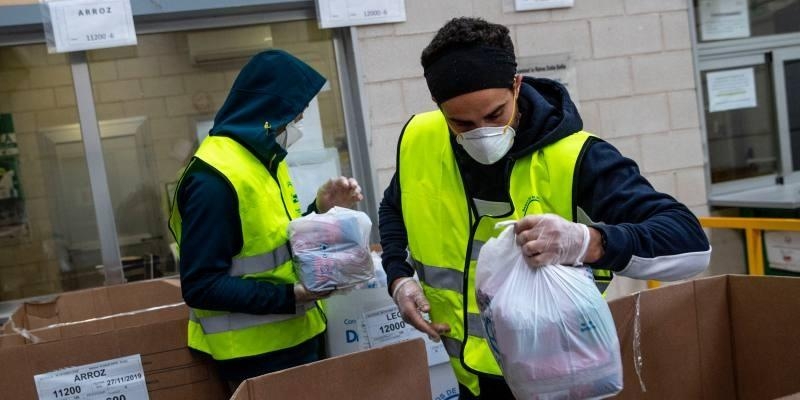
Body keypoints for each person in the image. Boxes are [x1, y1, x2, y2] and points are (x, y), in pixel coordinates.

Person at [378, 17, 711, 399]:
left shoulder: (578, 158)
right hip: (470, 379)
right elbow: (394, 207)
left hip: (557, 379)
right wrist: (398, 277)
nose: (480, 133)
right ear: (438, 107)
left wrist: (590, 242)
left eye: (494, 115)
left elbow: (691, 244)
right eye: (461, 123)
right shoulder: (420, 139)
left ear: (516, 86)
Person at [168, 49, 363, 391]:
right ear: (267, 114)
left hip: (300, 335)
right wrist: (291, 296)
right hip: (257, 356)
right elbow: (201, 286)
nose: (296, 127)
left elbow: (272, 245)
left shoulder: (262, 158)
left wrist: (320, 209)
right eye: (293, 120)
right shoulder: (213, 179)